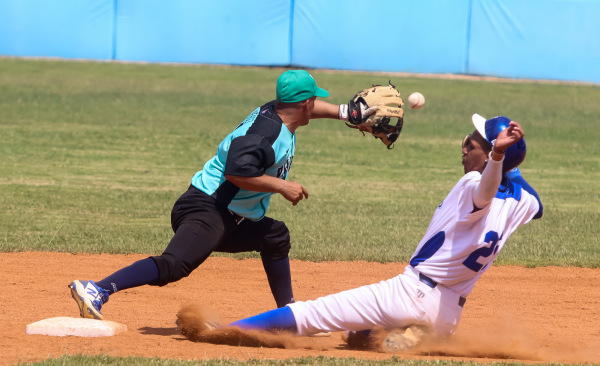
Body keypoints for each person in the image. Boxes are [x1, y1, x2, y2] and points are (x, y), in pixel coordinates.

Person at [216, 113, 543, 351]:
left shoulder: (474, 184)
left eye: (470, 146)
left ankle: (225, 331)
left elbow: (485, 194)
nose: (463, 150)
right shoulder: (522, 201)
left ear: (487, 157)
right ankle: (414, 333)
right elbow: (532, 200)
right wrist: (509, 158)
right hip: (448, 314)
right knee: (359, 336)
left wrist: (498, 153)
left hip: (412, 294)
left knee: (315, 312)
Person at [69, 70, 376, 320]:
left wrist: (346, 112)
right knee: (175, 265)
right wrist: (282, 185)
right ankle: (97, 288)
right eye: (315, 100)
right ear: (306, 103)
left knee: (275, 236)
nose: (316, 104)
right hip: (207, 207)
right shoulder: (264, 134)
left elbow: (308, 107)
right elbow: (236, 172)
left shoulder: (278, 110)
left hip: (231, 215)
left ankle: (288, 314)